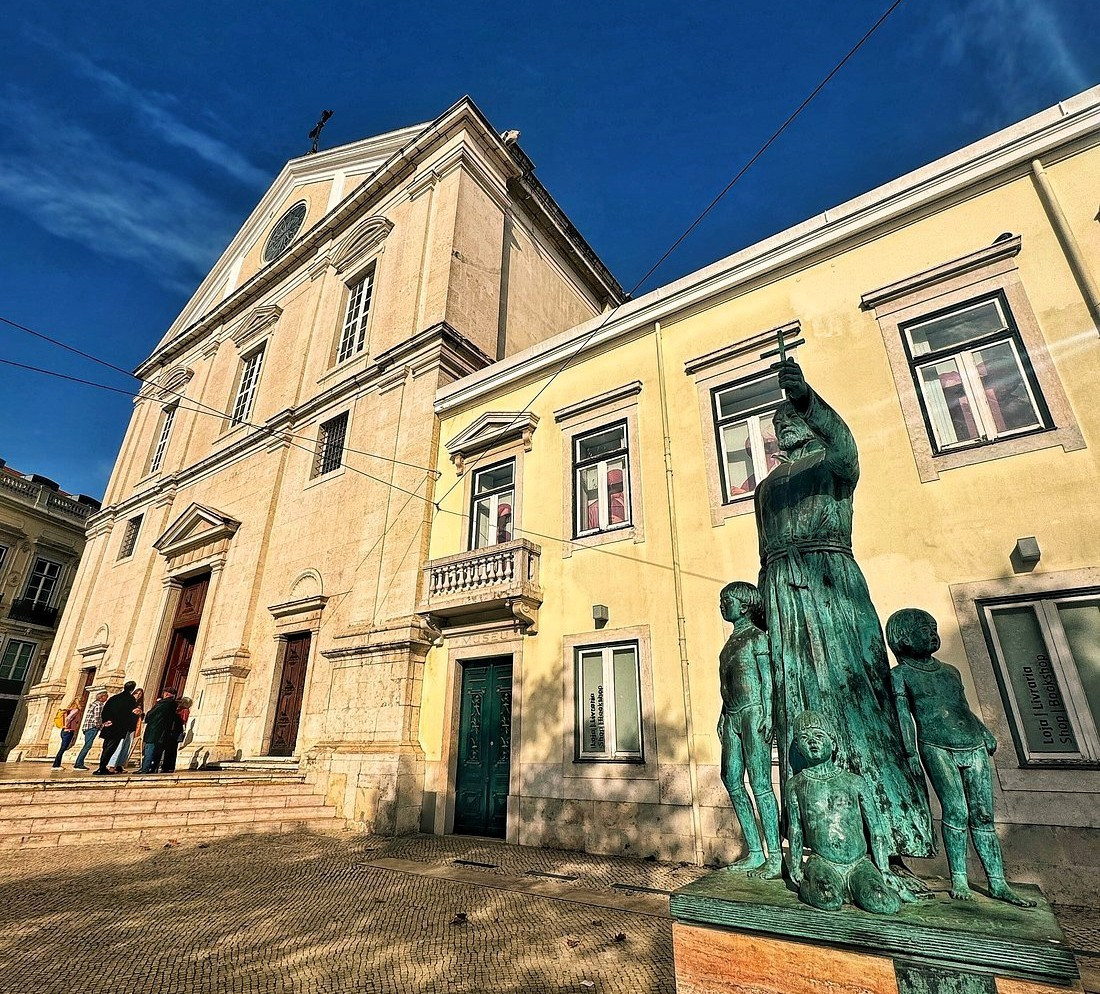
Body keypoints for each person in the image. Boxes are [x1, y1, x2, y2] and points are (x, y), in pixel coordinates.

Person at [753, 358, 933, 861]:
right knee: (796, 697)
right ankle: (814, 831)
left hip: (831, 582)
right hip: (782, 590)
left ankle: (886, 827)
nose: (783, 424)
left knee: (854, 689)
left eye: (792, 417)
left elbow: (848, 447)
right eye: (779, 422)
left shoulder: (831, 465)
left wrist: (808, 395)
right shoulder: (766, 488)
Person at [888, 608, 1035, 908]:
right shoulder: (901, 675)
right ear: (903, 638)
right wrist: (909, 752)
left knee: (983, 815)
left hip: (973, 743)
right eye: (924, 629)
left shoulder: (950, 672)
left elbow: (962, 707)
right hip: (936, 745)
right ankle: (958, 878)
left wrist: (984, 731)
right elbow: (904, 718)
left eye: (933, 627)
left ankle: (997, 882)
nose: (932, 633)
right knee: (956, 811)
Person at [786, 710, 913, 914]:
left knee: (883, 903)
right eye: (804, 738)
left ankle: (860, 889)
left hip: (858, 863)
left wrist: (884, 868)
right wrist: (796, 865)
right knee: (827, 900)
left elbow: (876, 829)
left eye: (819, 736)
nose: (812, 742)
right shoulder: (796, 785)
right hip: (822, 862)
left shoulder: (854, 782)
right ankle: (829, 889)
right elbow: (795, 829)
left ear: (833, 743)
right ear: (799, 750)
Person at [716, 581, 781, 878]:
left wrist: (769, 712)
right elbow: (726, 684)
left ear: (744, 606)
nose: (721, 604)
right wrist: (721, 714)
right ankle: (755, 851)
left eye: (725, 599)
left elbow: (767, 679)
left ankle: (776, 856)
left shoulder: (758, 639)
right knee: (730, 778)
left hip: (754, 712)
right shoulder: (728, 644)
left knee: (761, 783)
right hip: (731, 715)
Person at [94, 681, 139, 775]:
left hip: (109, 726)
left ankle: (101, 766)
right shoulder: (131, 700)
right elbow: (131, 714)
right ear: (132, 689)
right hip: (119, 727)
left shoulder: (114, 697)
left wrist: (106, 720)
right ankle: (102, 768)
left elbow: (105, 710)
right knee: (111, 748)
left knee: (105, 747)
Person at [140, 689, 178, 774]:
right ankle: (153, 768)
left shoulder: (162, 704)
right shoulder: (173, 705)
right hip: (164, 731)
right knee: (158, 750)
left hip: (154, 730)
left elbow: (150, 715)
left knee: (149, 748)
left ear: (167, 694)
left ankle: (145, 768)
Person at [107, 687, 144, 773]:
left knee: (126, 746)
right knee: (119, 745)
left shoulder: (139, 704)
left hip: (132, 727)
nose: (138, 695)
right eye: (136, 693)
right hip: (123, 726)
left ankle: (120, 765)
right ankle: (112, 765)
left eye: (140, 694)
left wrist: (140, 713)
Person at [73, 691, 108, 769]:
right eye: (106, 696)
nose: (107, 698)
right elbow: (97, 717)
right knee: (87, 746)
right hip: (92, 727)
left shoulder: (93, 704)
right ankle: (78, 763)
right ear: (101, 697)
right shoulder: (99, 705)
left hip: (87, 727)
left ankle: (79, 762)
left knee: (87, 745)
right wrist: (101, 726)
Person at [51, 701, 83, 769]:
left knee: (63, 748)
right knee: (63, 748)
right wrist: (67, 725)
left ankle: (57, 764)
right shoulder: (76, 710)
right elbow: (68, 718)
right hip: (68, 731)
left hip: (64, 731)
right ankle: (56, 765)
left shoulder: (70, 710)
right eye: (82, 702)